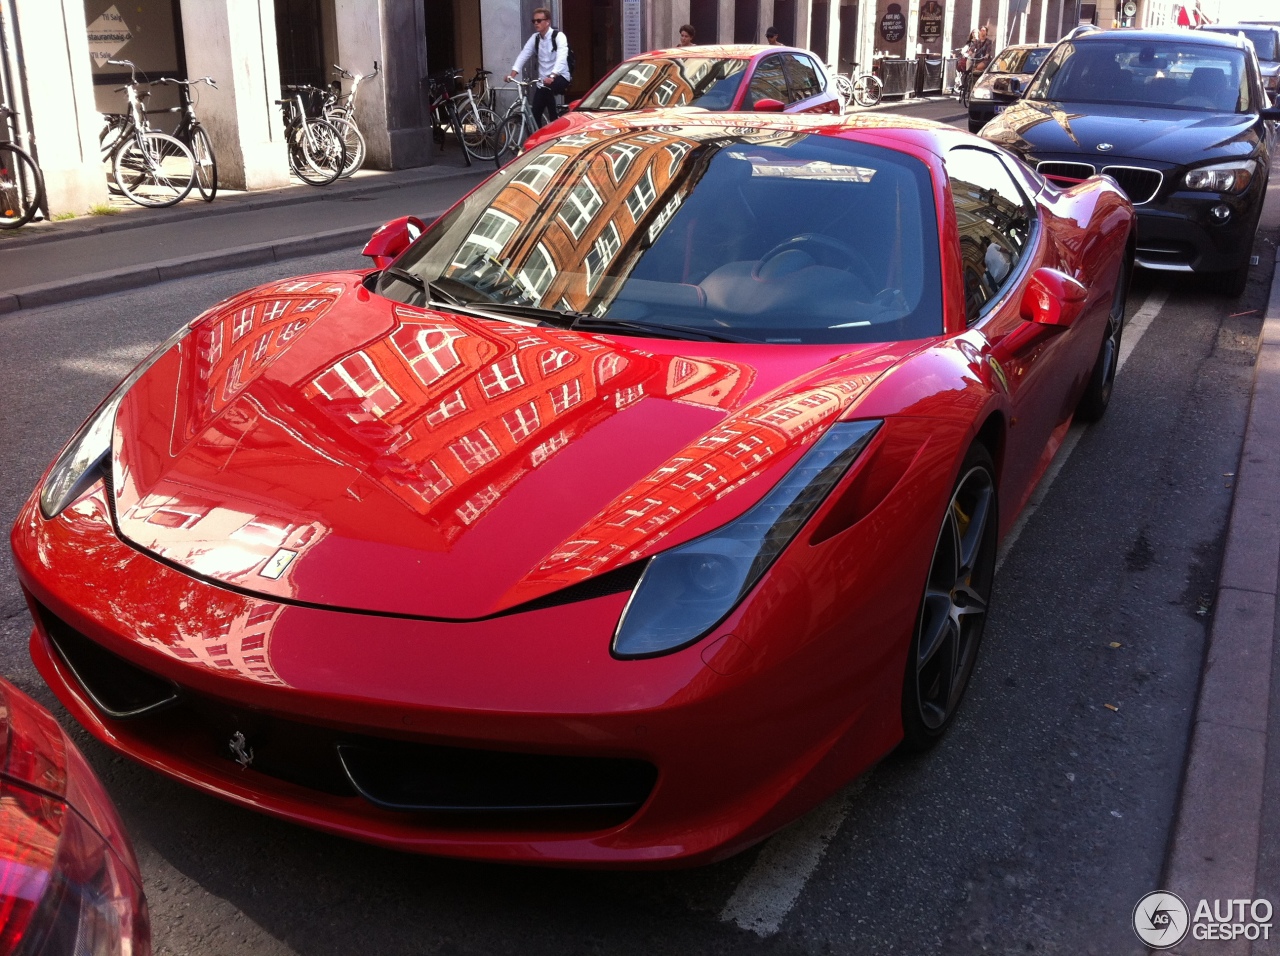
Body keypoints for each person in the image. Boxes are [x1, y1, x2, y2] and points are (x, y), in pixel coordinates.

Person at [506, 7, 571, 127]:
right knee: (535, 113)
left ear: (548, 22)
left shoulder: (558, 36)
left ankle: (554, 122)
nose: (536, 23)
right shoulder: (535, 38)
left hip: (560, 76)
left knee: (548, 89)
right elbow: (524, 55)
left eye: (539, 20)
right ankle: (539, 136)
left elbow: (561, 58)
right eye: (534, 21)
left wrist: (552, 75)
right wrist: (513, 73)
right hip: (543, 80)